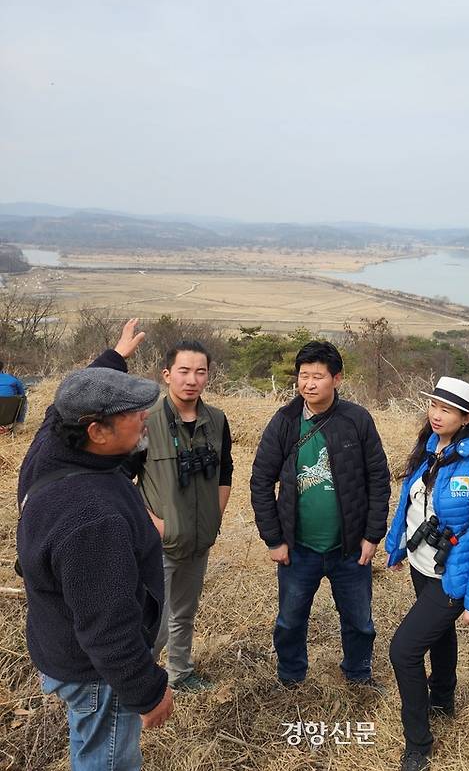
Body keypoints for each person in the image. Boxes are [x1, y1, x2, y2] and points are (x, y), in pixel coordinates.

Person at [17, 319, 174, 771]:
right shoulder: (91, 519)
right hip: (96, 674)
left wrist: (115, 358)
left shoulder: (53, 444)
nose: (145, 416)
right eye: (132, 412)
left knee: (92, 743)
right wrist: (146, 691)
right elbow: (108, 625)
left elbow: (63, 399)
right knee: (106, 758)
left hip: (60, 639)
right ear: (97, 431)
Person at [250, 340, 391, 687]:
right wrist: (274, 539)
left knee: (359, 621)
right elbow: (260, 481)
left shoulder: (356, 420)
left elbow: (378, 478)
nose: (309, 384)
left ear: (337, 379)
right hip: (298, 548)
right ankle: (291, 675)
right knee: (290, 619)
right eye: (303, 376)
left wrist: (372, 536)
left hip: (349, 549)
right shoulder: (284, 421)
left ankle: (358, 674)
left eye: (318, 376)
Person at [386, 377, 469, 771]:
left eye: (447, 410)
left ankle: (418, 743)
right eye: (434, 405)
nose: (436, 414)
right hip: (423, 564)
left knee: (403, 650)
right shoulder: (431, 447)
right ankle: (443, 698)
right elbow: (410, 501)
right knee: (439, 633)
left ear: (468, 418)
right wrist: (397, 545)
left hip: (454, 574)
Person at [137, 340, 233, 692]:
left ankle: (180, 672)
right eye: (184, 371)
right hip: (159, 542)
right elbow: (121, 478)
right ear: (167, 375)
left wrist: (215, 516)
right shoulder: (145, 421)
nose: (192, 379)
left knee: (185, 614)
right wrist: (154, 523)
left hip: (199, 540)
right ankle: (141, 685)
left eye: (200, 371)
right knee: (154, 622)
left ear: (208, 375)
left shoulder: (217, 421)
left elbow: (225, 473)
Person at [0, 359, 27, 427]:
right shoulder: (13, 379)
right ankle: (18, 425)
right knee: (23, 400)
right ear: (2, 368)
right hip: (9, 418)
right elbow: (22, 395)